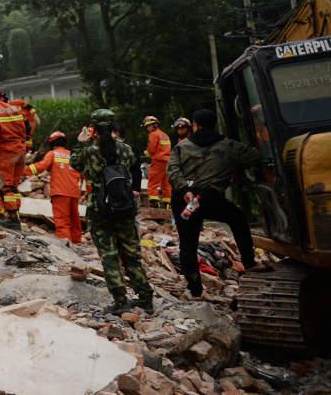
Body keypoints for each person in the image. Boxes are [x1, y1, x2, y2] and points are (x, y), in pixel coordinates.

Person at [167, 108, 262, 298]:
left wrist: (185, 190)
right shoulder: (229, 146)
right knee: (238, 219)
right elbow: (256, 156)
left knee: (187, 244)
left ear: (195, 125)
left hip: (184, 199)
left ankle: (195, 289)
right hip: (210, 197)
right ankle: (249, 261)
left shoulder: (182, 147)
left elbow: (172, 171)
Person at [71, 109, 154, 313]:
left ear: (94, 128)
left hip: (100, 209)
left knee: (109, 256)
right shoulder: (125, 149)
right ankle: (145, 298)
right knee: (131, 255)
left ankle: (120, 301)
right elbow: (134, 165)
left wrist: (81, 142)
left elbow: (75, 163)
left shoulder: (90, 151)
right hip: (125, 207)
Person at [0, 84, 27, 228]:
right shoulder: (14, 108)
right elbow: (28, 128)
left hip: (7, 152)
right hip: (21, 151)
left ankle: (12, 219)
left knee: (6, 186)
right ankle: (16, 217)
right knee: (13, 186)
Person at [27, 131, 82, 243]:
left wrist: (24, 170)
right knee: (74, 219)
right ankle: (77, 242)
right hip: (74, 192)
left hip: (60, 192)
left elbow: (41, 167)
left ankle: (66, 245)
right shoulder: (72, 155)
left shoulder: (52, 154)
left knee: (62, 220)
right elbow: (81, 173)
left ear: (52, 143)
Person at [143, 116, 172, 208]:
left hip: (158, 161)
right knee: (166, 183)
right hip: (167, 161)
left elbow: (151, 149)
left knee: (152, 182)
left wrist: (147, 153)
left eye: (148, 126)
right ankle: (167, 203)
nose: (147, 128)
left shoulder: (153, 135)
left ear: (153, 125)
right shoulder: (164, 135)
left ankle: (154, 202)